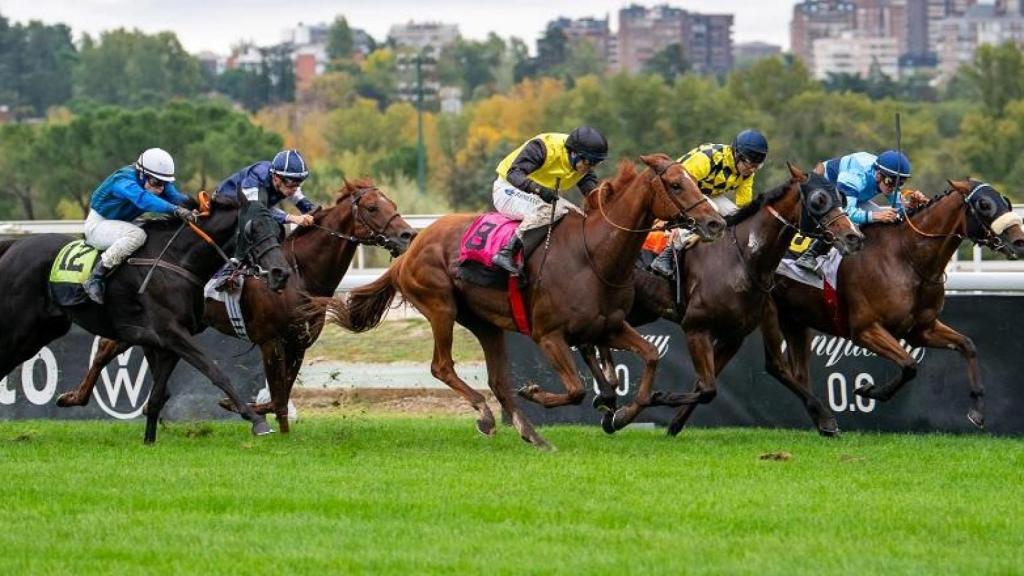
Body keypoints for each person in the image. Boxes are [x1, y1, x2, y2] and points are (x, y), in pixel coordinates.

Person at [649, 129, 769, 278]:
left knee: (735, 213)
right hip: (681, 192)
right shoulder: (706, 159)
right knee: (713, 209)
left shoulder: (748, 173)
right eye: (749, 164)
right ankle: (667, 255)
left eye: (757, 166)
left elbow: (744, 205)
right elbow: (679, 185)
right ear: (736, 154)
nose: (751, 170)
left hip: (706, 194)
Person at [82, 148, 195, 304]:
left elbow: (175, 197)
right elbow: (143, 199)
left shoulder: (153, 177)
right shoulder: (123, 180)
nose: (161, 188)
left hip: (123, 223)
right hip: (98, 224)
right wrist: (175, 210)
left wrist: (199, 206)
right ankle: (96, 276)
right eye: (157, 182)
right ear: (141, 173)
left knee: (154, 230)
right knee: (138, 235)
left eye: (164, 183)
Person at [490, 126, 607, 275]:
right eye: (589, 163)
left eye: (596, 163)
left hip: (535, 196)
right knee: (551, 210)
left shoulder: (581, 160)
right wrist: (538, 189)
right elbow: (514, 174)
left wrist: (602, 202)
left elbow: (588, 185)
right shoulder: (543, 147)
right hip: (508, 190)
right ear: (574, 154)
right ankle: (507, 252)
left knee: (578, 216)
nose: (590, 167)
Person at [794, 149, 928, 272]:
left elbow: (899, 211)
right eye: (890, 182)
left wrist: (910, 205)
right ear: (878, 175)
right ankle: (809, 255)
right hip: (826, 190)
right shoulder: (855, 176)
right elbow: (848, 213)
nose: (893, 187)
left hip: (853, 196)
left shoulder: (887, 177)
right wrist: (875, 216)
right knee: (858, 219)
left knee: (888, 219)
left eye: (900, 183)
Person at [214, 149, 318, 231]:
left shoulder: (287, 183)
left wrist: (316, 215)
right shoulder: (257, 177)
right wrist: (293, 218)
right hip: (226, 204)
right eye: (291, 183)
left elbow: (305, 204)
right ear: (276, 177)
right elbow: (256, 209)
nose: (295, 189)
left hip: (250, 208)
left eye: (299, 183)